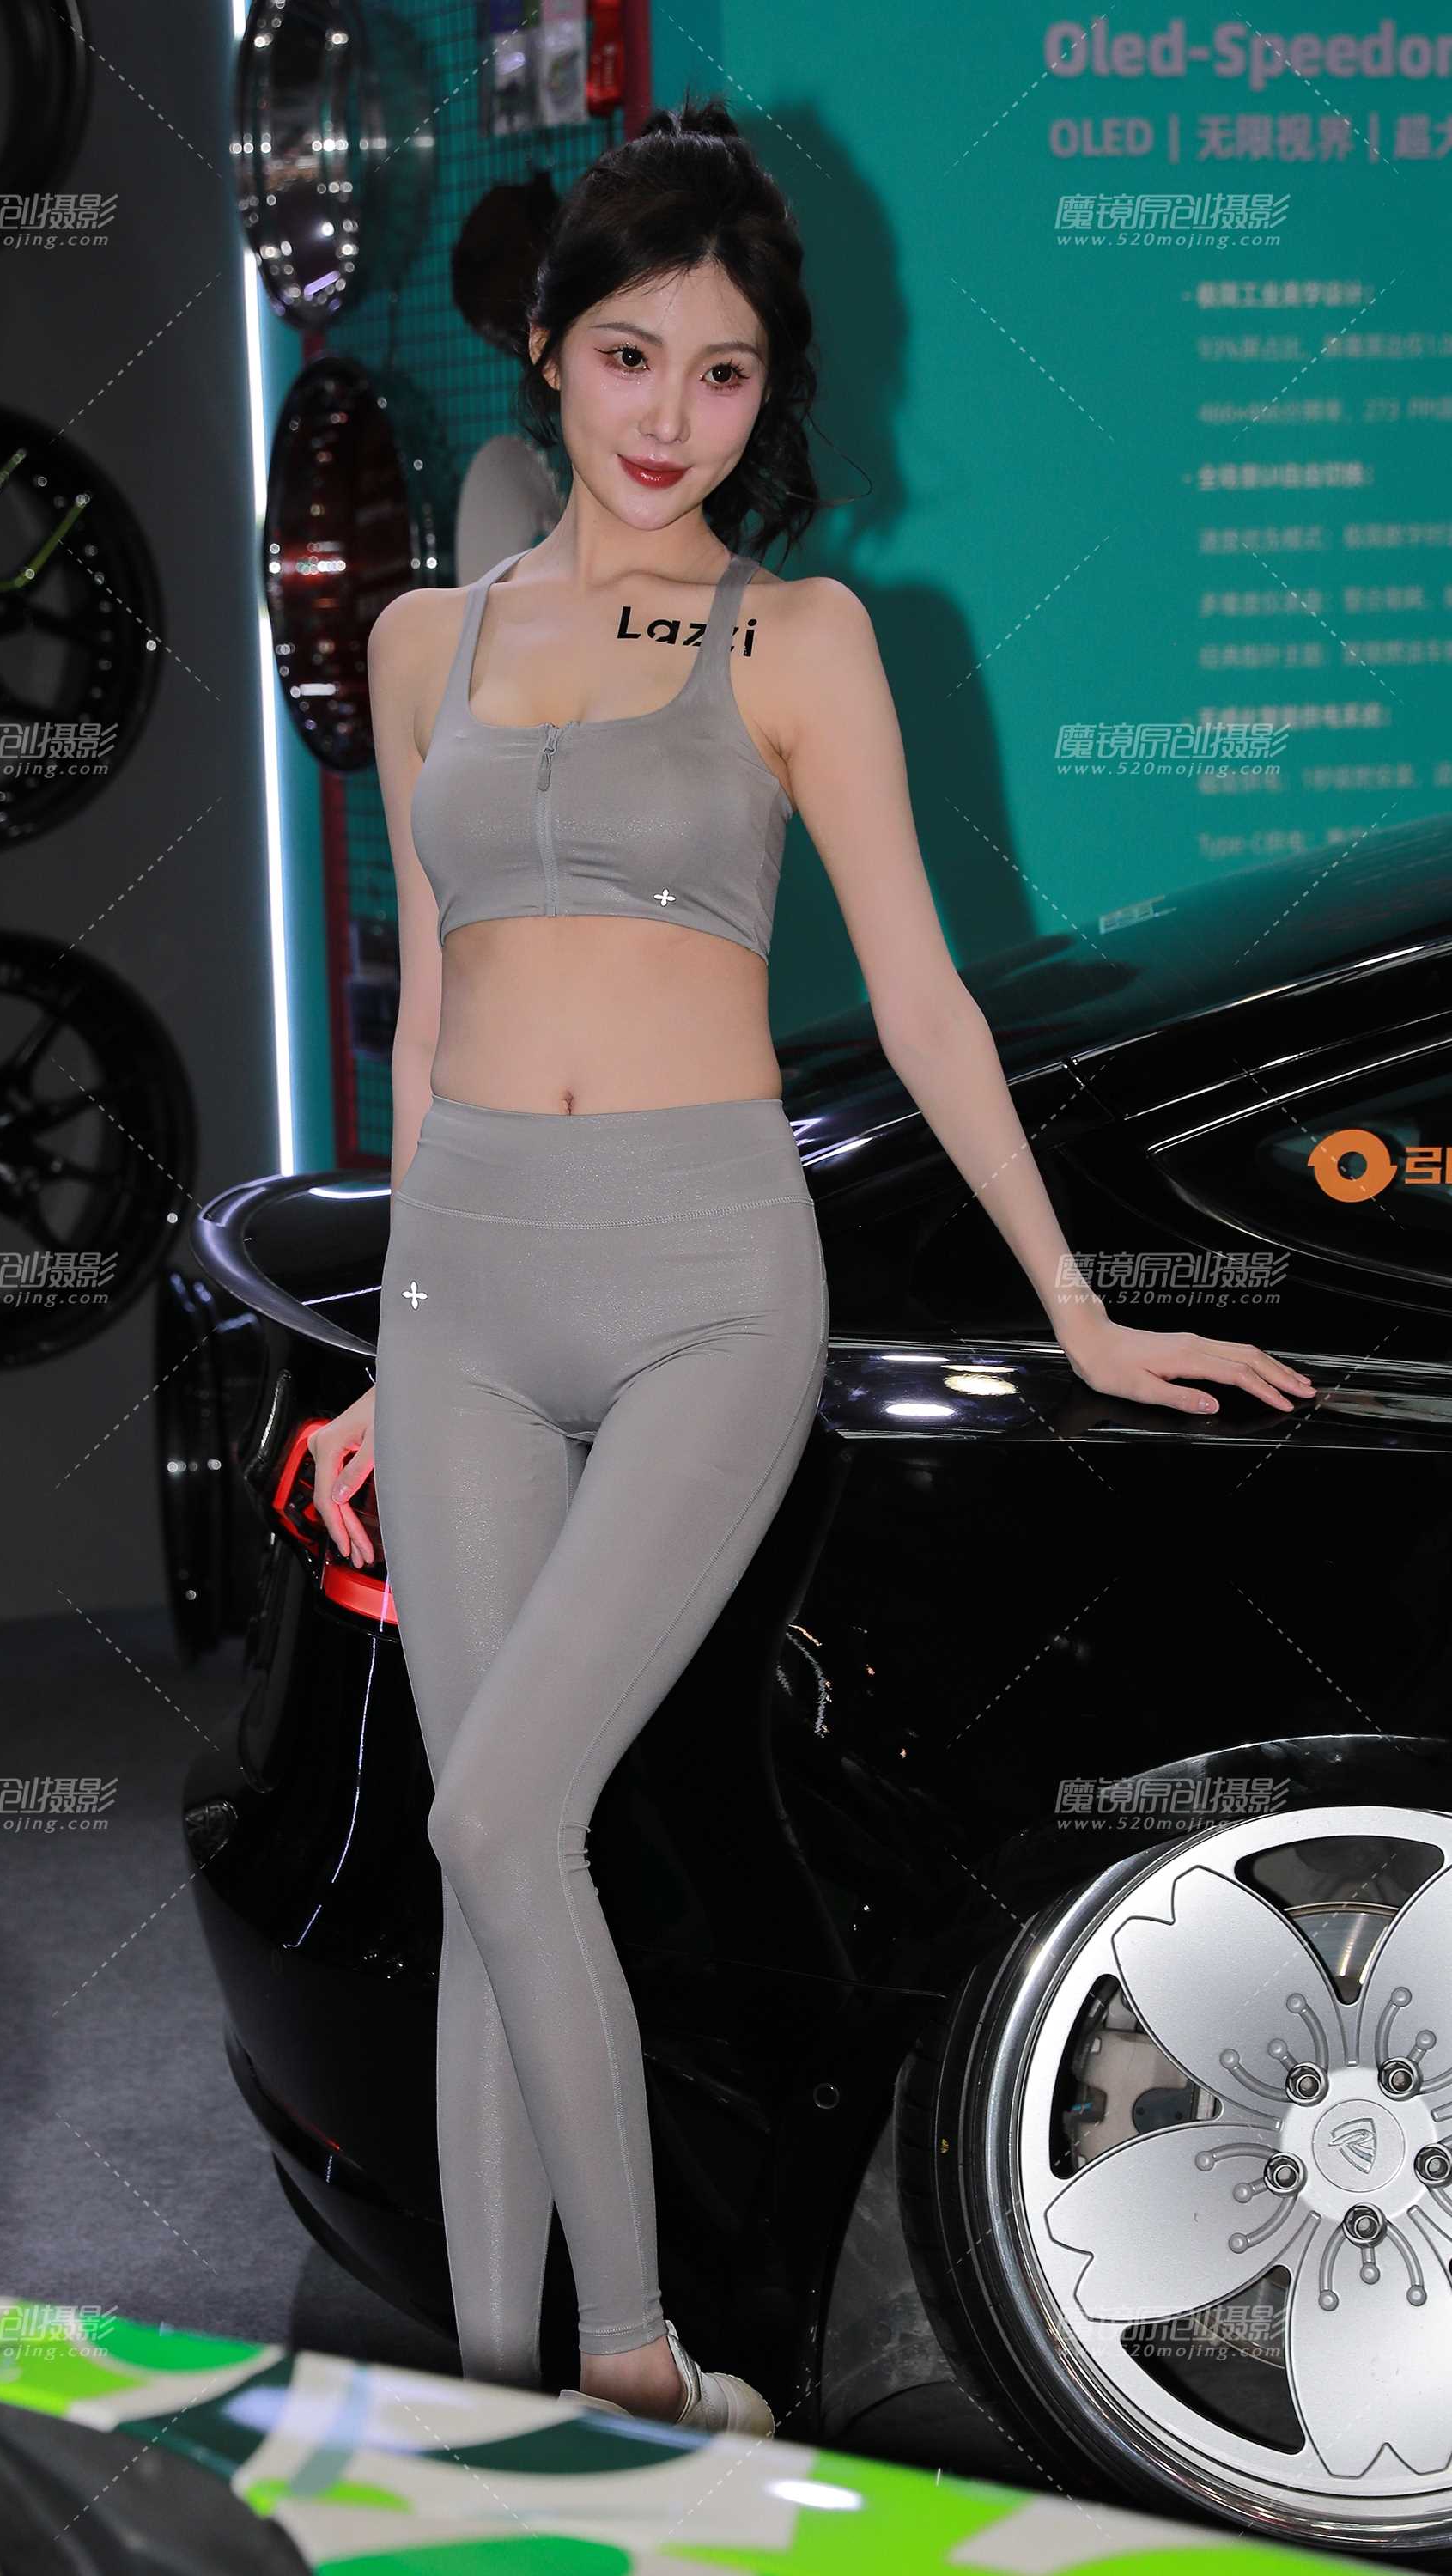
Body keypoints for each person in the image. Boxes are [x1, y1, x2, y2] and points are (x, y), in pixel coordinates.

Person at [304, 95, 1315, 2435]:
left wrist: (1077, 1307)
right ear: (549, 353)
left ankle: (637, 2357)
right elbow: (433, 1014)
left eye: (727, 372)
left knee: (497, 1816)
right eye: (631, 357)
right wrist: (380, 1340)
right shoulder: (430, 643)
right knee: (491, 1866)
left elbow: (932, 998)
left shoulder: (800, 636)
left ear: (771, 395)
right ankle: (497, 2405)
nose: (673, 416)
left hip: (703, 1287)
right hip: (465, 1295)